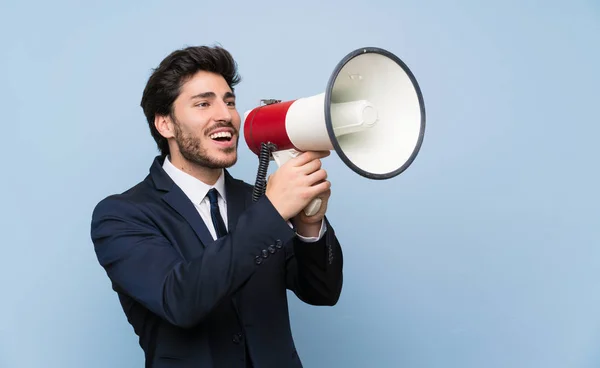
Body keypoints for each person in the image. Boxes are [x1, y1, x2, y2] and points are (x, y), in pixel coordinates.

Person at [90, 45, 344, 368]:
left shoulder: (259, 199)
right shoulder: (121, 216)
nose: (225, 115)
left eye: (229, 102)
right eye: (203, 103)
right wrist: (272, 210)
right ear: (165, 124)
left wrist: (310, 225)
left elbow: (323, 291)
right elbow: (179, 299)